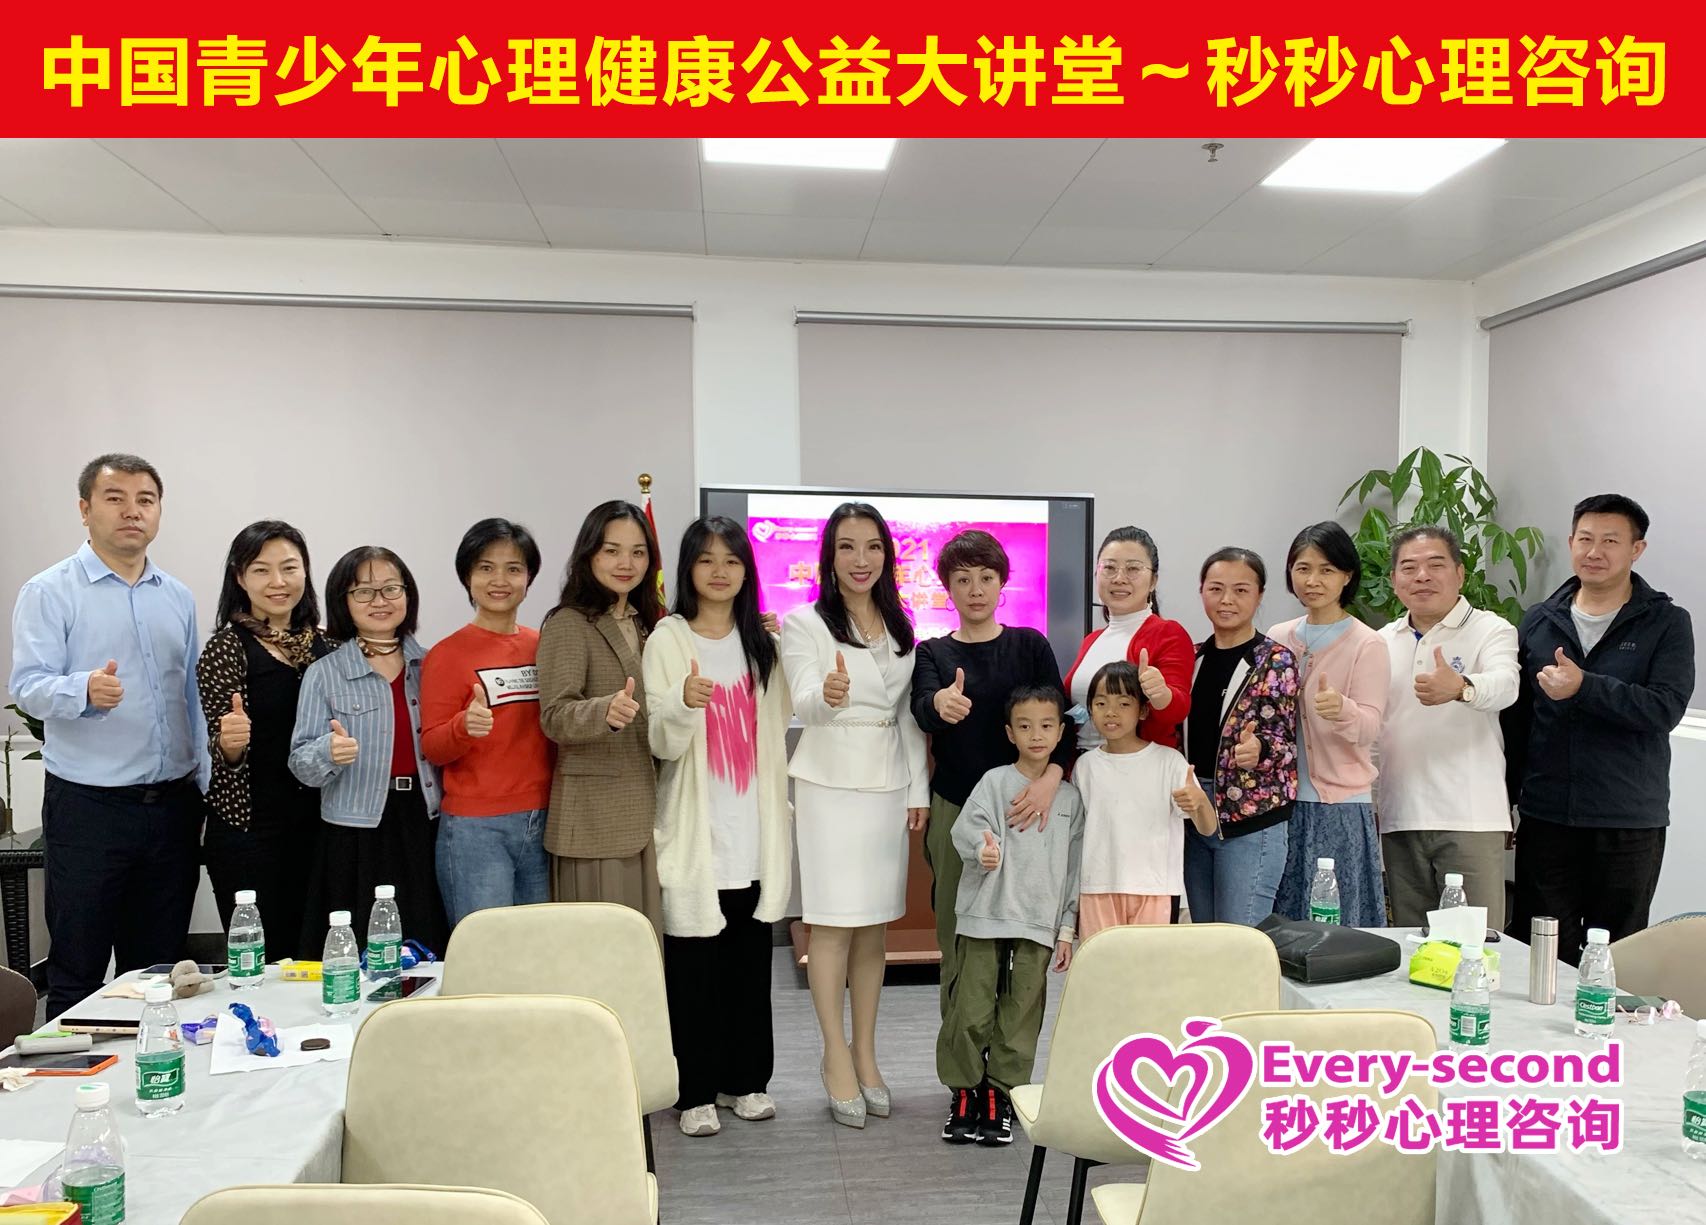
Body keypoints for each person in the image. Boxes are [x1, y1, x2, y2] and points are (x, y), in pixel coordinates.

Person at [9, 453, 210, 1017]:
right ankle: (69, 1073)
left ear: (159, 512)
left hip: (171, 808)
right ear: (85, 509)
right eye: (115, 498)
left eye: (145, 500)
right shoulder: (49, 591)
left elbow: (191, 699)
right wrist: (83, 690)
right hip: (89, 810)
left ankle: (149, 1068)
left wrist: (206, 786)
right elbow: (27, 686)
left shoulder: (177, 596)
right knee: (78, 967)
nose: (132, 512)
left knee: (158, 972)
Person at [780, 502, 929, 1129]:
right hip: (830, 784)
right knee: (833, 925)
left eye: (872, 546)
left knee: (874, 928)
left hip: (888, 785)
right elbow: (803, 700)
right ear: (830, 555)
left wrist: (918, 789)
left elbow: (908, 718)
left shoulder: (900, 623)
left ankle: (866, 1052)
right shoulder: (804, 622)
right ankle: (833, 1053)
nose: (860, 559)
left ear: (886, 555)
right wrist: (828, 695)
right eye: (847, 546)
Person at [644, 517, 794, 1139]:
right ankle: (696, 1091)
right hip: (696, 832)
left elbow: (784, 720)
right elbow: (659, 739)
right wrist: (683, 703)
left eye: (732, 560)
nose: (719, 571)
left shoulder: (763, 643)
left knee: (748, 970)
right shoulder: (668, 639)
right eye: (706, 560)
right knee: (693, 974)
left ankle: (746, 1082)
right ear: (687, 569)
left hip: (753, 833)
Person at [1504, 494, 1694, 961]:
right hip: (1547, 816)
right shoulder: (1540, 619)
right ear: (1571, 542)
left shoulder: (1666, 622)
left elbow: (1664, 708)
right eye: (1585, 539)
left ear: (1636, 549)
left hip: (1627, 819)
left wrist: (1585, 687)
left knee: (1616, 955)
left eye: (1610, 541)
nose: (1594, 551)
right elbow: (1518, 721)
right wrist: (1506, 801)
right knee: (1542, 951)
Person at [909, 529, 1073, 1016]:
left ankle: (1008, 1059)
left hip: (1027, 810)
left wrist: (1051, 780)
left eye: (986, 577)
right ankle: (961, 1058)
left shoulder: (1029, 645)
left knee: (1021, 942)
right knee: (957, 936)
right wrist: (941, 704)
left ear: (1002, 583)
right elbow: (922, 709)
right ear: (948, 588)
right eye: (963, 579)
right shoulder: (932, 652)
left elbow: (1061, 721)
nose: (975, 589)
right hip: (957, 807)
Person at [936, 685, 1084, 1148]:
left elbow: (1075, 871)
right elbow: (968, 830)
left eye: (1046, 726)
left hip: (1038, 925)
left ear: (1060, 732)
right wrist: (983, 850)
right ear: (1009, 733)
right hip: (984, 916)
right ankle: (964, 1092)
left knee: (1021, 1016)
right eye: (1024, 726)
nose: (1036, 735)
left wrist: (1066, 929)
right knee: (970, 1009)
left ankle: (1001, 1095)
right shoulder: (994, 782)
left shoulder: (1071, 800)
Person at [289, 546, 450, 958]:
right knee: (358, 948)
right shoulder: (324, 673)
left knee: (426, 943)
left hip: (424, 820)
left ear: (408, 594)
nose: (379, 601)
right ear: (343, 601)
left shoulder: (433, 665)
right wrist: (328, 752)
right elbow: (300, 763)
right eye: (363, 592)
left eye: (390, 589)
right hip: (354, 830)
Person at [198, 520, 334, 956]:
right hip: (251, 834)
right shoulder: (226, 648)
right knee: (263, 962)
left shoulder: (328, 648)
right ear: (240, 577)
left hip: (320, 830)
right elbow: (221, 751)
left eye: (289, 568)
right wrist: (230, 743)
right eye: (261, 570)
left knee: (320, 957)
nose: (278, 582)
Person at [1378, 526, 1520, 928]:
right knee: (1412, 944)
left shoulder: (1491, 629)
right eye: (1409, 567)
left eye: (1435, 565)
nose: (1422, 576)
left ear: (1459, 573)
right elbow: (1376, 730)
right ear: (1394, 580)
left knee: (1476, 943)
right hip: (1400, 815)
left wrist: (1462, 687)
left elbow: (1506, 685)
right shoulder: (1382, 640)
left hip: (1470, 817)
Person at [419, 519, 554, 930]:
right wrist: (463, 726)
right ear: (467, 577)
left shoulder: (543, 646)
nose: (500, 580)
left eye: (513, 569)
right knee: (486, 950)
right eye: (486, 568)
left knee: (540, 948)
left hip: (545, 820)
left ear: (529, 578)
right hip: (477, 830)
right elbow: (432, 747)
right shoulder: (446, 654)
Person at [537, 501, 665, 930]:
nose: (626, 563)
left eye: (638, 552)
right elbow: (554, 716)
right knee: (600, 951)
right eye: (612, 551)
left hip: (648, 812)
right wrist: (603, 711)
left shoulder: (649, 624)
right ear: (589, 554)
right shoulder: (569, 623)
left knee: (642, 948)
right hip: (595, 821)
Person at [1269, 522, 1391, 928]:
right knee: (1284, 923)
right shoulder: (1278, 637)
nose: (1313, 581)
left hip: (1339, 806)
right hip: (1282, 804)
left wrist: (1343, 710)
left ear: (1347, 575)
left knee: (1336, 925)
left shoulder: (1367, 643)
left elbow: (1371, 726)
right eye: (1302, 569)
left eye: (1326, 570)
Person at [1182, 548, 1300, 927]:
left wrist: (1259, 749)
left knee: (1240, 938)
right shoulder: (1191, 658)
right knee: (1204, 935)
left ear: (1260, 595)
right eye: (1216, 588)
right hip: (1195, 814)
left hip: (1250, 819)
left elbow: (1284, 741)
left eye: (1241, 590)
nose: (1227, 600)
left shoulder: (1275, 660)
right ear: (1201, 591)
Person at [1073, 662, 1217, 941]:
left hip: (1156, 889)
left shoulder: (1169, 761)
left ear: (1142, 710)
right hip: (1096, 888)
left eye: (1124, 704)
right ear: (1090, 709)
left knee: (1151, 967)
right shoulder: (1085, 767)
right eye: (1101, 703)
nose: (1111, 712)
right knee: (1101, 966)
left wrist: (1199, 802)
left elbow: (1208, 828)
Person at [1063, 526, 1193, 753]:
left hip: (1138, 766)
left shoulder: (1169, 633)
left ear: (1153, 581)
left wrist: (1160, 693)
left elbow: (1177, 710)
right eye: (1109, 568)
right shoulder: (1092, 640)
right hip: (1083, 765)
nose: (1119, 578)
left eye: (1133, 569)